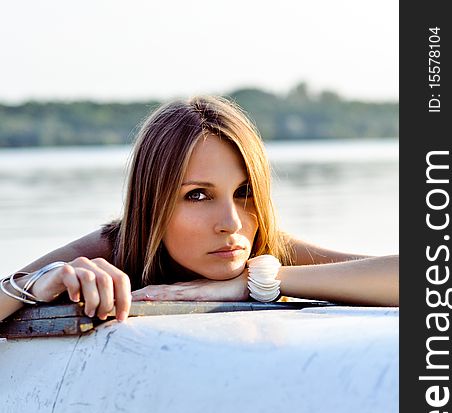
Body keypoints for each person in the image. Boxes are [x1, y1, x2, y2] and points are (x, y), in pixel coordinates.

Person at [0, 96, 398, 323]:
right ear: (151, 202)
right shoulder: (111, 250)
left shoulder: (264, 250)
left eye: (244, 192)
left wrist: (257, 283)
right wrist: (35, 283)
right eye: (197, 195)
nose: (231, 224)